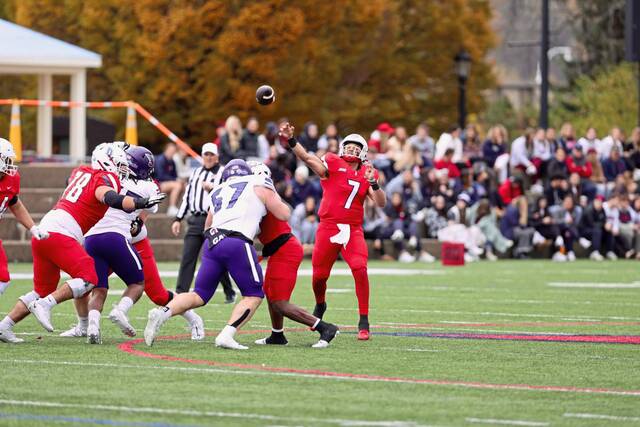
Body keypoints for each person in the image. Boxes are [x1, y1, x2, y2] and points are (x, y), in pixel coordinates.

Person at [0, 143, 165, 342]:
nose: (121, 168)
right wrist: (140, 202)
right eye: (118, 162)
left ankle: (4, 326)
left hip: (45, 230)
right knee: (90, 277)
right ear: (107, 161)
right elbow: (111, 198)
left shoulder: (80, 171)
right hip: (62, 233)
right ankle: (46, 304)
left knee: (41, 289)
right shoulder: (103, 177)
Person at [144, 159, 290, 350]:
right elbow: (284, 214)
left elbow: (207, 225)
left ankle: (163, 312)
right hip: (237, 241)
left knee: (199, 294)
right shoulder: (257, 183)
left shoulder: (217, 190)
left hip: (212, 242)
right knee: (253, 295)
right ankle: (227, 334)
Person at [60, 147, 204, 341]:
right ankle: (84, 326)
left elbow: (140, 219)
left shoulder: (135, 183)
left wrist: (137, 222)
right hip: (114, 239)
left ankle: (194, 319)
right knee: (89, 283)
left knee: (158, 295)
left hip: (134, 241)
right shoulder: (112, 177)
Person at [281, 122, 386, 341]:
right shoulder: (332, 163)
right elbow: (309, 159)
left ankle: (364, 320)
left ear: (363, 152)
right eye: (348, 146)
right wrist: (292, 141)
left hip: (353, 229)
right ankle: (320, 304)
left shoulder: (368, 173)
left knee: (360, 268)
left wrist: (374, 184)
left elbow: (381, 203)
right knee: (319, 277)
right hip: (328, 227)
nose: (351, 149)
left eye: (356, 147)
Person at [249, 162, 339, 348]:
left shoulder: (262, 195)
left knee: (280, 303)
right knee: (271, 295)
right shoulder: (260, 194)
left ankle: (325, 328)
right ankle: (277, 335)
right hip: (279, 249)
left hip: (285, 249)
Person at [172, 143, 235, 303]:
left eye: (211, 154)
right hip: (194, 219)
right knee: (188, 256)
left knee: (215, 257)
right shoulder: (195, 173)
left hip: (214, 221)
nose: (208, 157)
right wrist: (178, 218)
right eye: (206, 154)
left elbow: (227, 194)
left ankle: (229, 291)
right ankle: (180, 293)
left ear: (217, 157)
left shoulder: (223, 173)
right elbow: (188, 197)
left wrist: (212, 188)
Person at [0, 138, 49, 300]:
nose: (9, 164)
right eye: (6, 160)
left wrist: (32, 227)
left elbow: (14, 203)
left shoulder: (11, 179)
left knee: (2, 279)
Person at [154, 142, 183, 216]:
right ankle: (172, 207)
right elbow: (160, 176)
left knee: (184, 185)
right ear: (166, 150)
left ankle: (184, 207)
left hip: (167, 183)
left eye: (173, 152)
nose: (172, 153)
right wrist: (175, 180)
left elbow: (175, 175)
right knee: (177, 185)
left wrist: (177, 179)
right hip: (158, 184)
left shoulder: (172, 161)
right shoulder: (160, 160)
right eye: (170, 151)